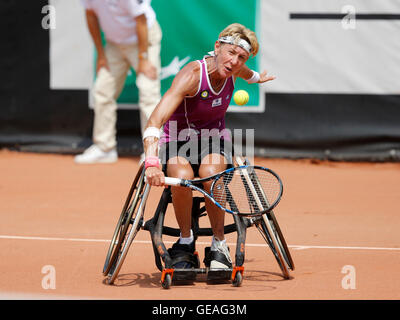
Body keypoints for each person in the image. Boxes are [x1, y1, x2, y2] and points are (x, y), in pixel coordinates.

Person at [143, 23, 275, 270]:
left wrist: (258, 78)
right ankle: (185, 241)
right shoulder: (192, 75)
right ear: (217, 47)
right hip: (177, 141)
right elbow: (155, 120)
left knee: (210, 175)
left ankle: (219, 244)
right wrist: (151, 162)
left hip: (214, 139)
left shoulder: (234, 68)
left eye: (241, 57)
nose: (235, 61)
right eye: (231, 53)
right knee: (182, 177)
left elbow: (245, 72)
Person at [75, 0, 162, 164]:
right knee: (102, 91)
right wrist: (100, 54)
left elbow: (141, 20)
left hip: (144, 41)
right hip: (115, 44)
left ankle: (153, 152)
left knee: (148, 93)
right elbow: (90, 15)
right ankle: (104, 148)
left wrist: (143, 58)